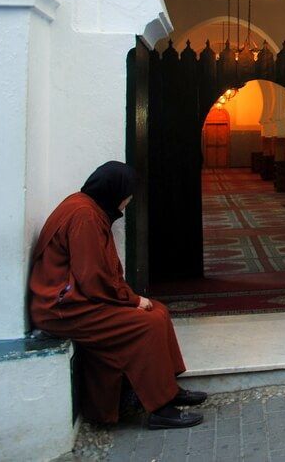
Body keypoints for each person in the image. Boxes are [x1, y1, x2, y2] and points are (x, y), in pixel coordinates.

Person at [29, 161, 206, 429]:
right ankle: (160, 407)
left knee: (159, 311)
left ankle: (168, 387)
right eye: (128, 194)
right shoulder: (85, 216)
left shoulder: (86, 206)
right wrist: (133, 300)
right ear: (114, 191)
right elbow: (93, 277)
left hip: (76, 302)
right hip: (63, 310)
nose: (129, 201)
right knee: (147, 323)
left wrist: (133, 300)